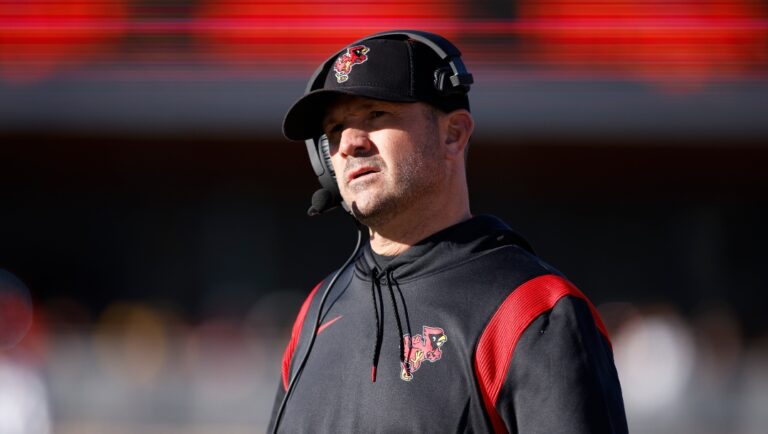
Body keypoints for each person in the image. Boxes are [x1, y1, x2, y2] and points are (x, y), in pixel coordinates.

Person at [268, 30, 628, 434]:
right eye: (334, 131)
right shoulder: (316, 311)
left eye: (376, 115)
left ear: (453, 135)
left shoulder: (531, 309)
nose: (349, 143)